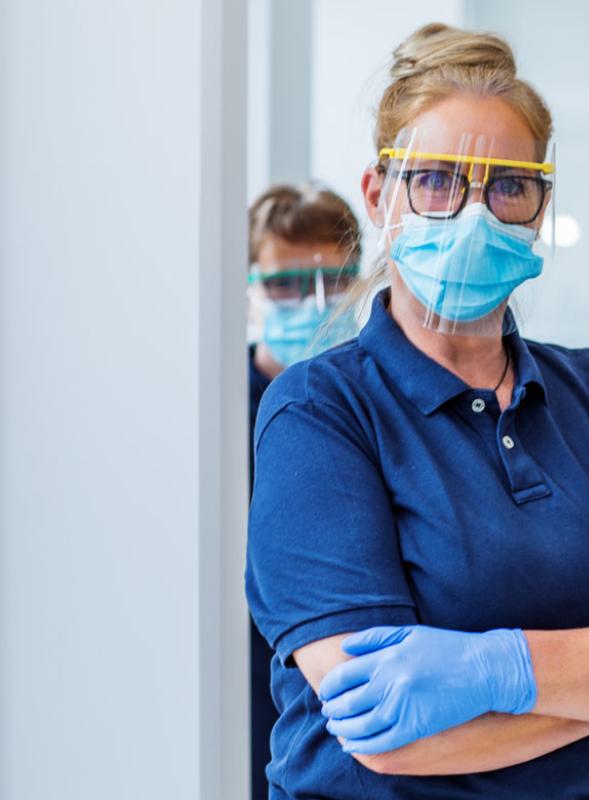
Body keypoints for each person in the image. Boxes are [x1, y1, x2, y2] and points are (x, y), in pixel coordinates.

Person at [246, 23, 589, 800]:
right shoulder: (319, 412)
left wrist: (498, 671)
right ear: (380, 195)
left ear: (540, 207)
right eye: (437, 180)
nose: (474, 213)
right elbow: (391, 735)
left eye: (509, 185)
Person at [245, 183, 362, 800]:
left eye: (332, 282)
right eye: (283, 285)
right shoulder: (214, 421)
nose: (312, 303)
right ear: (247, 289)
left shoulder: (368, 409)